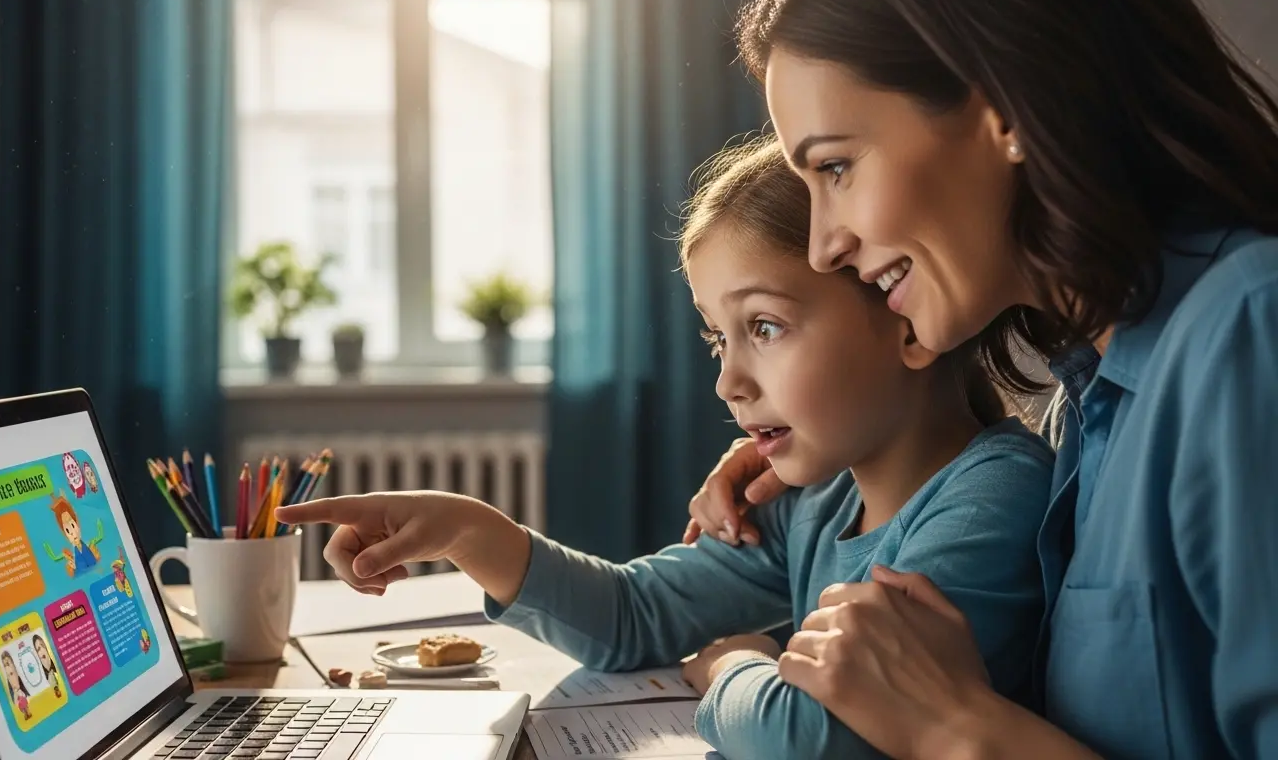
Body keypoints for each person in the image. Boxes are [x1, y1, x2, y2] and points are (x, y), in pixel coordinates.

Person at [278, 136, 1055, 759]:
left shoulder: (992, 497)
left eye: (765, 327)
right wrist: (467, 531)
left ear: (908, 316)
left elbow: (816, 737)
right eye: (719, 339)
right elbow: (633, 616)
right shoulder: (816, 502)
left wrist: (731, 664)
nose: (728, 382)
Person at [690, 0, 1278, 758]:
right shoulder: (1086, 406)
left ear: (1003, 111)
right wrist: (813, 443)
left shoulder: (1249, 331)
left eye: (835, 167)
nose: (823, 245)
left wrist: (955, 727)